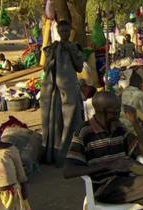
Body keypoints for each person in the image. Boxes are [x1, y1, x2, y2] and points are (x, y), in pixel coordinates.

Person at [63, 92, 143, 210]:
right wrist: (108, 165)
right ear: (103, 112)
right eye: (115, 111)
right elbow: (68, 171)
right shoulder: (84, 131)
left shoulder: (118, 127)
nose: (119, 113)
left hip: (127, 183)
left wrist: (135, 123)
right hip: (104, 187)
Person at [40, 20, 84, 167]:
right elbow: (45, 68)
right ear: (58, 32)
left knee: (73, 120)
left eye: (67, 31)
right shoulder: (52, 48)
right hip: (56, 92)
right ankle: (57, 154)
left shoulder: (75, 48)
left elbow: (79, 67)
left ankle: (73, 155)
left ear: (70, 31)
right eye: (62, 31)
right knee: (56, 121)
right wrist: (52, 55)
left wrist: (71, 51)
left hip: (71, 91)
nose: (64, 33)